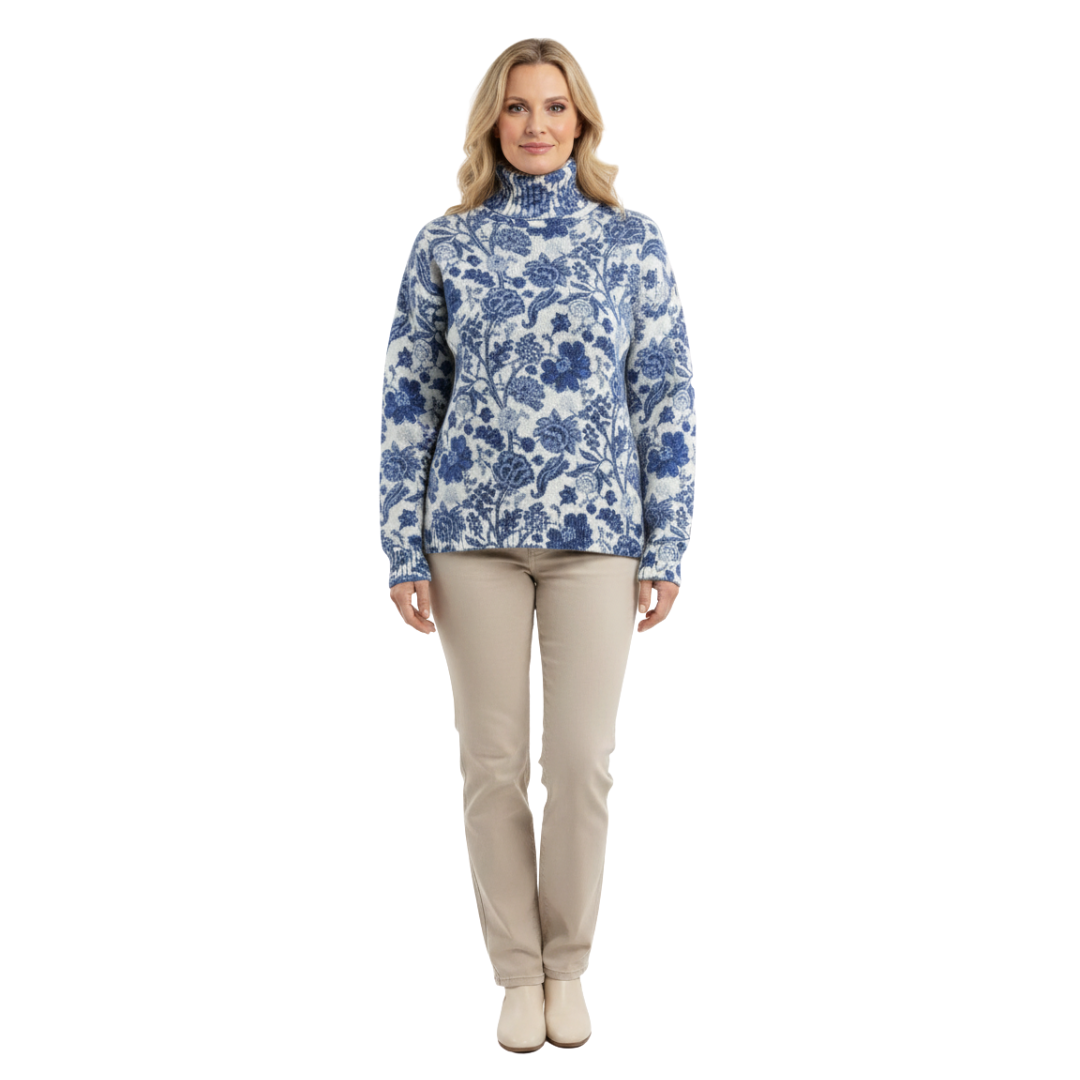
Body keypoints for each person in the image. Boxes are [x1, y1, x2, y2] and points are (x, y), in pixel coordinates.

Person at [378, 37, 697, 1052]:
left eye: (554, 107)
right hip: (469, 537)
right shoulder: (445, 244)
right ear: (493, 121)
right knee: (492, 763)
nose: (536, 125)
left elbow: (665, 395)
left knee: (583, 762)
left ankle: (570, 963)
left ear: (581, 121)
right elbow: (409, 396)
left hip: (598, 537)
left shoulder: (630, 241)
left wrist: (668, 542)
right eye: (517, 107)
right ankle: (518, 972)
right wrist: (401, 545)